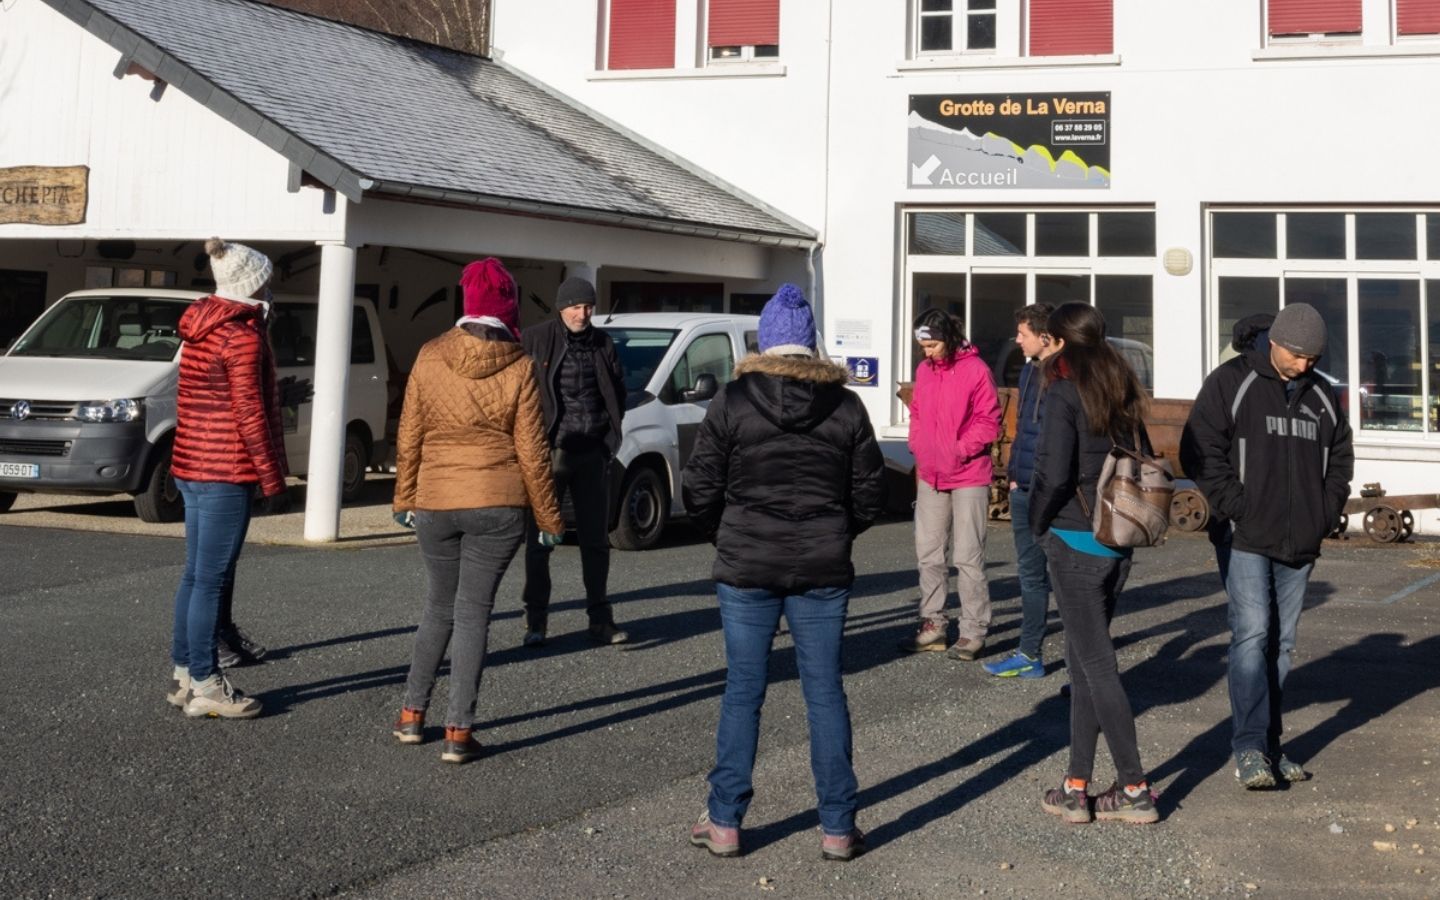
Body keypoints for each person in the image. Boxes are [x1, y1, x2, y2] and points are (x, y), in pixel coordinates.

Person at [682, 284, 884, 861]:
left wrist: (723, 532)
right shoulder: (846, 405)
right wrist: (838, 530)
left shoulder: (732, 399)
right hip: (822, 562)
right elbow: (870, 493)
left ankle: (724, 822)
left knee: (743, 690)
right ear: (811, 342)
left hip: (746, 563)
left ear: (765, 340)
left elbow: (699, 486)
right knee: (824, 692)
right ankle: (839, 828)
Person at [391, 258, 563, 764]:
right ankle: (459, 732)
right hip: (498, 501)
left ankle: (410, 715)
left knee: (437, 606)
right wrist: (550, 518)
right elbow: (532, 450)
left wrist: (405, 496)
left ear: (466, 304)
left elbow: (410, 433)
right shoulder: (521, 364)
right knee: (473, 615)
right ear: (507, 306)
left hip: (436, 499)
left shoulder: (429, 355)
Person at [1180, 302, 1353, 790]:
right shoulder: (1231, 382)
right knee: (1252, 636)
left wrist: (1325, 511)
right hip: (1247, 536)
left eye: (1313, 358)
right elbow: (1200, 447)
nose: (1305, 365)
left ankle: (1272, 746)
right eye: (1298, 355)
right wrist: (1237, 506)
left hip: (1301, 539)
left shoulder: (1321, 394)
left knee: (1282, 644)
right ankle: (1250, 748)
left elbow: (1340, 457)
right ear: (1275, 342)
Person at [1029, 302, 1159, 824]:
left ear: (1059, 343)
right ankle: (1075, 787)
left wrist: (1037, 523)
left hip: (1074, 540)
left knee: (1098, 670)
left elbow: (1054, 473)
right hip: (1116, 542)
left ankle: (1134, 790)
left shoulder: (1063, 393)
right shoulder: (1121, 391)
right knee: (1084, 669)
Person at [166, 238, 287, 720]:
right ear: (253, 282)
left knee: (196, 575)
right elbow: (249, 412)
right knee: (210, 580)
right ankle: (206, 684)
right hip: (224, 468)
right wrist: (273, 478)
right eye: (266, 278)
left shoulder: (200, 326)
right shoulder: (242, 336)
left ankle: (185, 673)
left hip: (191, 464)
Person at [520, 276, 629, 646]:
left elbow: (617, 391)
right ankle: (536, 621)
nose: (582, 314)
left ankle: (600, 619)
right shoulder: (535, 339)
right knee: (540, 539)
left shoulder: (603, 343)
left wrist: (608, 439)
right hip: (552, 452)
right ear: (560, 307)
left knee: (596, 541)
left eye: (588, 307)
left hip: (593, 452)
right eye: (576, 306)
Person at [901, 308, 1001, 660]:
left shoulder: (976, 370)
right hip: (930, 473)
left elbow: (989, 420)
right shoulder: (924, 371)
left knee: (967, 557)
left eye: (932, 344)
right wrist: (918, 444)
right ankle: (933, 624)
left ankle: (973, 630)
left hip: (968, 474)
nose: (927, 351)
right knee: (928, 553)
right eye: (922, 345)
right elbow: (916, 412)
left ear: (950, 338)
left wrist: (959, 451)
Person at [984, 303, 1055, 679]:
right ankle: (1030, 654)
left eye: (1023, 333)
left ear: (1045, 336)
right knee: (1030, 575)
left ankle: (1084, 667)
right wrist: (1012, 475)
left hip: (1054, 492)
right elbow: (1021, 428)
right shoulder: (1029, 373)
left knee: (1065, 579)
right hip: (1023, 486)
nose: (1017, 340)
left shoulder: (1067, 374)